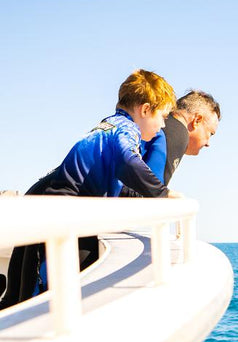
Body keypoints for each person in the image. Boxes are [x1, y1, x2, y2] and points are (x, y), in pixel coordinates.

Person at [0, 69, 178, 309]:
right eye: (163, 116)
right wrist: (163, 194)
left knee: (70, 282)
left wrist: (145, 197)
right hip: (66, 211)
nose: (163, 124)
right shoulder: (126, 131)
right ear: (145, 110)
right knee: (53, 291)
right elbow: (129, 161)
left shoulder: (109, 125)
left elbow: (112, 180)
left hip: (69, 207)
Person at [121, 89, 221, 194]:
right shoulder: (178, 133)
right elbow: (150, 195)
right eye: (210, 133)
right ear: (197, 120)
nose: (208, 143)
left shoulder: (158, 125)